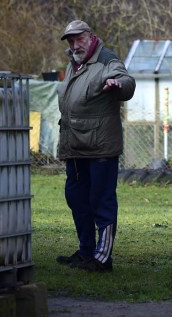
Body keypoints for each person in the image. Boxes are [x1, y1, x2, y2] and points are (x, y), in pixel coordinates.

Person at [55, 19, 136, 272]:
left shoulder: (107, 61)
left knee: (101, 201)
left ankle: (102, 259)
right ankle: (86, 251)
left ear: (91, 36)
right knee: (77, 200)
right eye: (71, 40)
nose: (75, 44)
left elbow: (127, 82)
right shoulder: (74, 64)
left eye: (79, 39)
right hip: (76, 148)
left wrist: (118, 85)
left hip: (100, 148)